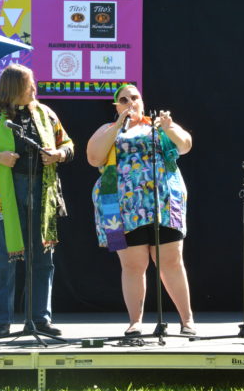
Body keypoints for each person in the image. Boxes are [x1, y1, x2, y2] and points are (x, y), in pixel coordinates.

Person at [0, 64, 74, 337]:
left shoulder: (46, 114)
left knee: (43, 257)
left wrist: (57, 154)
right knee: (3, 259)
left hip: (42, 191)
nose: (34, 88)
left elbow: (68, 145)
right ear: (13, 88)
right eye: (29, 84)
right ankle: (2, 321)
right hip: (1, 195)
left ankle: (40, 319)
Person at [86, 84, 195, 336]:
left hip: (163, 202)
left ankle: (187, 320)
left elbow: (185, 145)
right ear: (116, 106)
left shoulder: (158, 125)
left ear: (142, 101)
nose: (130, 102)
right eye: (123, 100)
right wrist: (117, 126)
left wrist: (169, 127)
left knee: (171, 261)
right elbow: (94, 158)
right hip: (120, 206)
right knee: (133, 265)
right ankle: (135, 322)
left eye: (134, 97)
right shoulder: (108, 129)